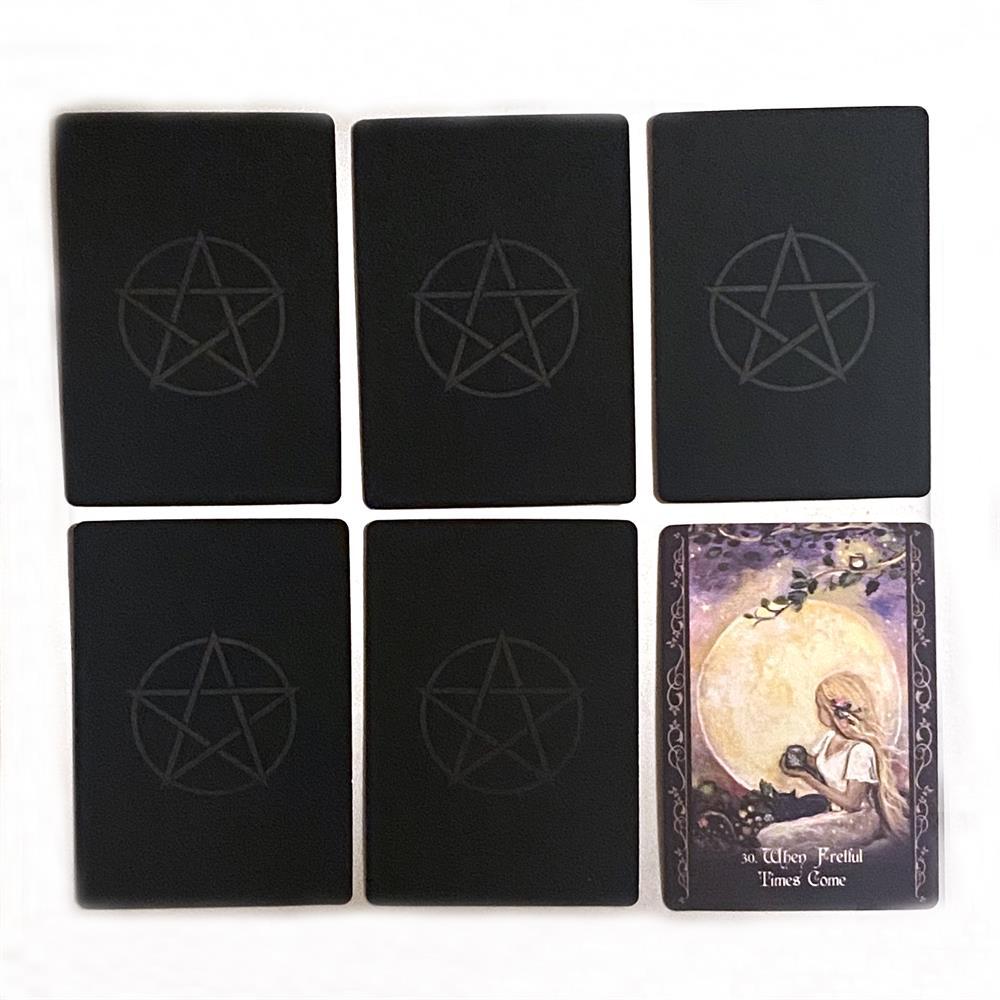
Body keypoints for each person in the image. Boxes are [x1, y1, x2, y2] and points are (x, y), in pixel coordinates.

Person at [757, 671, 908, 851]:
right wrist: (799, 760)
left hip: (857, 820)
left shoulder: (860, 750)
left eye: (820, 707)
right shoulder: (830, 738)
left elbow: (852, 804)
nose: (818, 712)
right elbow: (822, 763)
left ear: (833, 711)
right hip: (836, 814)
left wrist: (808, 778)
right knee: (767, 835)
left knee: (776, 838)